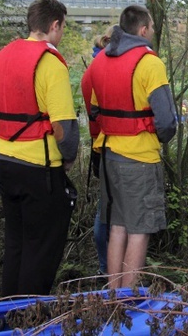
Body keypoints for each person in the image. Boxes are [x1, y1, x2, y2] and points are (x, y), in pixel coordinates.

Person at [0, 0, 79, 296]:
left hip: (6, 164)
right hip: (39, 169)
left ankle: (6, 312)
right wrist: (68, 158)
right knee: (40, 251)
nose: (62, 34)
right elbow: (63, 127)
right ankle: (31, 317)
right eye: (62, 27)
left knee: (16, 244)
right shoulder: (49, 62)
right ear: (54, 25)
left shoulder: (3, 56)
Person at [84, 5, 177, 288]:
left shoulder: (99, 61)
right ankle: (129, 296)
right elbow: (166, 121)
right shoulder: (149, 63)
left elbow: (95, 111)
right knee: (140, 229)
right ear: (144, 29)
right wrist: (156, 137)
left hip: (110, 155)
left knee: (117, 227)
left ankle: (113, 293)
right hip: (140, 159)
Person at [81, 29, 113, 275]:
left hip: (99, 146)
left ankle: (108, 267)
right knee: (107, 209)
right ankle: (107, 267)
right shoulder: (101, 70)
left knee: (107, 207)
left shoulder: (94, 67)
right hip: (105, 145)